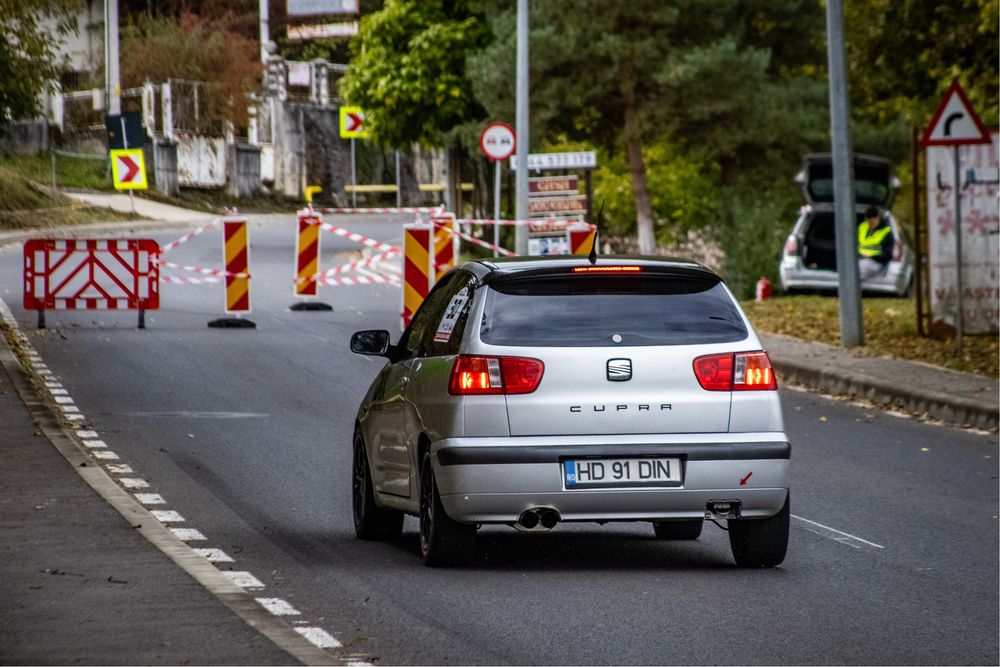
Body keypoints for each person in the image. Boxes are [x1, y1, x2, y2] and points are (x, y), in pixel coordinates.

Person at [857, 205, 894, 281]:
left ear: (878, 218)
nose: (870, 223)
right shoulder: (862, 226)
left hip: (875, 262)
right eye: (868, 220)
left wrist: (870, 257)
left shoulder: (886, 232)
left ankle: (850, 290)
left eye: (873, 221)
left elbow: (887, 254)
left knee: (858, 269)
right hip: (858, 258)